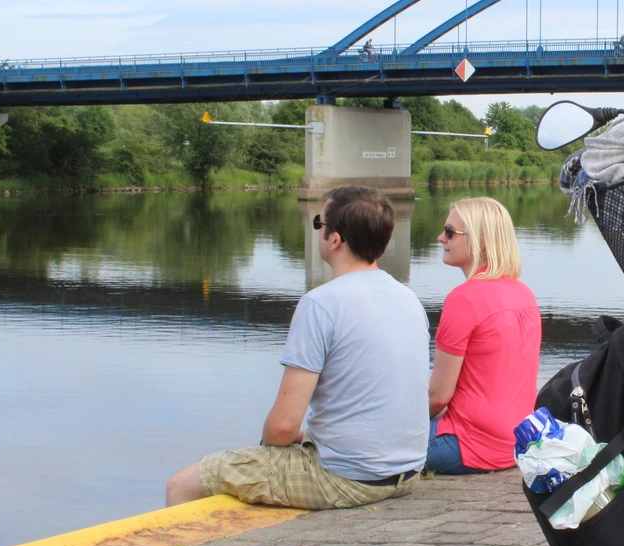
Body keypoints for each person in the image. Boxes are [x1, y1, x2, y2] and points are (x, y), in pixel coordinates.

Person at [165, 186, 430, 508]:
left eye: (319, 222)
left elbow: (282, 427)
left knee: (182, 484)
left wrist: (268, 450)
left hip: (349, 478)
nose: (317, 228)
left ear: (335, 239)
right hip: (406, 471)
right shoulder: (408, 299)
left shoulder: (320, 304)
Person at [428, 198, 541, 475]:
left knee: (367, 439)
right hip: (518, 444)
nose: (441, 237)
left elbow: (439, 396)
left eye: (450, 231)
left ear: (479, 241)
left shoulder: (463, 299)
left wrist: (402, 426)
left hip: (470, 446)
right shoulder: (525, 294)